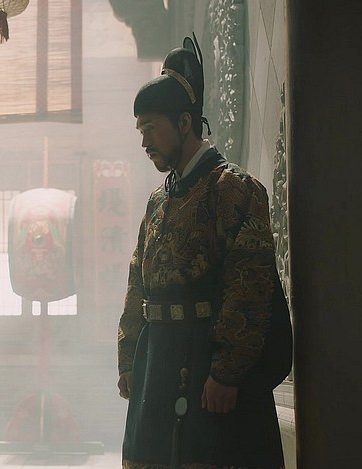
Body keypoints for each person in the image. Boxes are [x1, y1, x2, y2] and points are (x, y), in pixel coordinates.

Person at [117, 35, 286, 469]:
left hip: (209, 372)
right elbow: (138, 282)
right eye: (140, 131)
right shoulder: (158, 202)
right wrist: (130, 356)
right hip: (157, 367)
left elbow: (249, 287)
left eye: (150, 128)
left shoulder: (234, 189)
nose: (144, 143)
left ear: (185, 122)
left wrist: (227, 371)